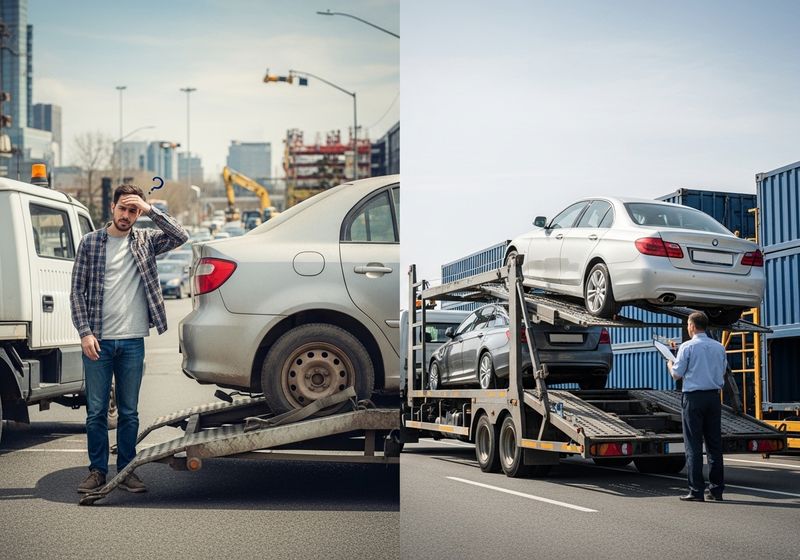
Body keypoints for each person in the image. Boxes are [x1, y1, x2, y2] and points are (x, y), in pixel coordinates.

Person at [70, 185, 188, 494]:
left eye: (133, 210)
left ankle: (125, 470)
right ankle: (97, 471)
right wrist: (85, 333)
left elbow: (181, 236)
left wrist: (151, 211)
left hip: (133, 340)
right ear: (112, 207)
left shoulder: (146, 241)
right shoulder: (91, 243)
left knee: (129, 412)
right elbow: (76, 292)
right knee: (96, 411)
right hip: (98, 341)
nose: (126, 215)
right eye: (123, 208)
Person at [668, 311, 727, 502]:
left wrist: (670, 362)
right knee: (714, 445)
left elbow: (677, 374)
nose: (687, 327)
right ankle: (717, 491)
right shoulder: (719, 347)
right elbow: (722, 371)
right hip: (713, 398)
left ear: (692, 326)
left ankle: (696, 491)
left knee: (693, 445)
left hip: (693, 399)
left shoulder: (687, 346)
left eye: (688, 324)